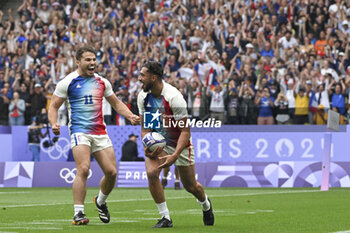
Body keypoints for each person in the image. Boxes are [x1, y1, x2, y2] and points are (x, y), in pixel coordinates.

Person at [48, 46, 139, 225]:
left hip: (100, 132)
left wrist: (130, 116)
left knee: (112, 172)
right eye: (88, 60)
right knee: (83, 168)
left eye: (94, 59)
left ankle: (100, 201)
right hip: (79, 131)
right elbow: (53, 106)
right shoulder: (67, 82)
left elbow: (116, 103)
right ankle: (78, 213)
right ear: (78, 61)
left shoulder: (102, 82)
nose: (92, 63)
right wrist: (54, 123)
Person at [137, 61, 214, 228]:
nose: (139, 78)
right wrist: (147, 145)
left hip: (179, 142)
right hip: (159, 141)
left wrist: (175, 155)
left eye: (142, 75)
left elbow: (185, 132)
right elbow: (146, 127)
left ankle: (206, 204)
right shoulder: (143, 97)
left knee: (191, 186)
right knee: (151, 173)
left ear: (154, 77)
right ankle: (165, 217)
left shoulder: (174, 97)